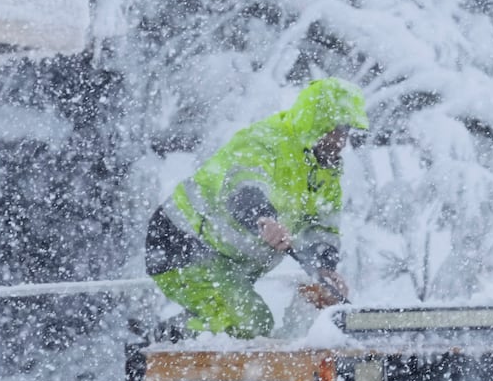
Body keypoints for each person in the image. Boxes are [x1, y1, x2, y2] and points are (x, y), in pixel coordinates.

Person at [144, 77, 369, 338]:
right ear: (318, 122)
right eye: (338, 130)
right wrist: (262, 217)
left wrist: (323, 265)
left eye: (347, 133)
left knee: (237, 323)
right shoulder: (265, 141)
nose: (341, 142)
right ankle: (164, 341)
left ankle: (182, 344)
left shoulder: (325, 171)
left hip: (227, 260)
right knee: (250, 323)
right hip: (183, 241)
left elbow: (322, 224)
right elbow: (244, 183)